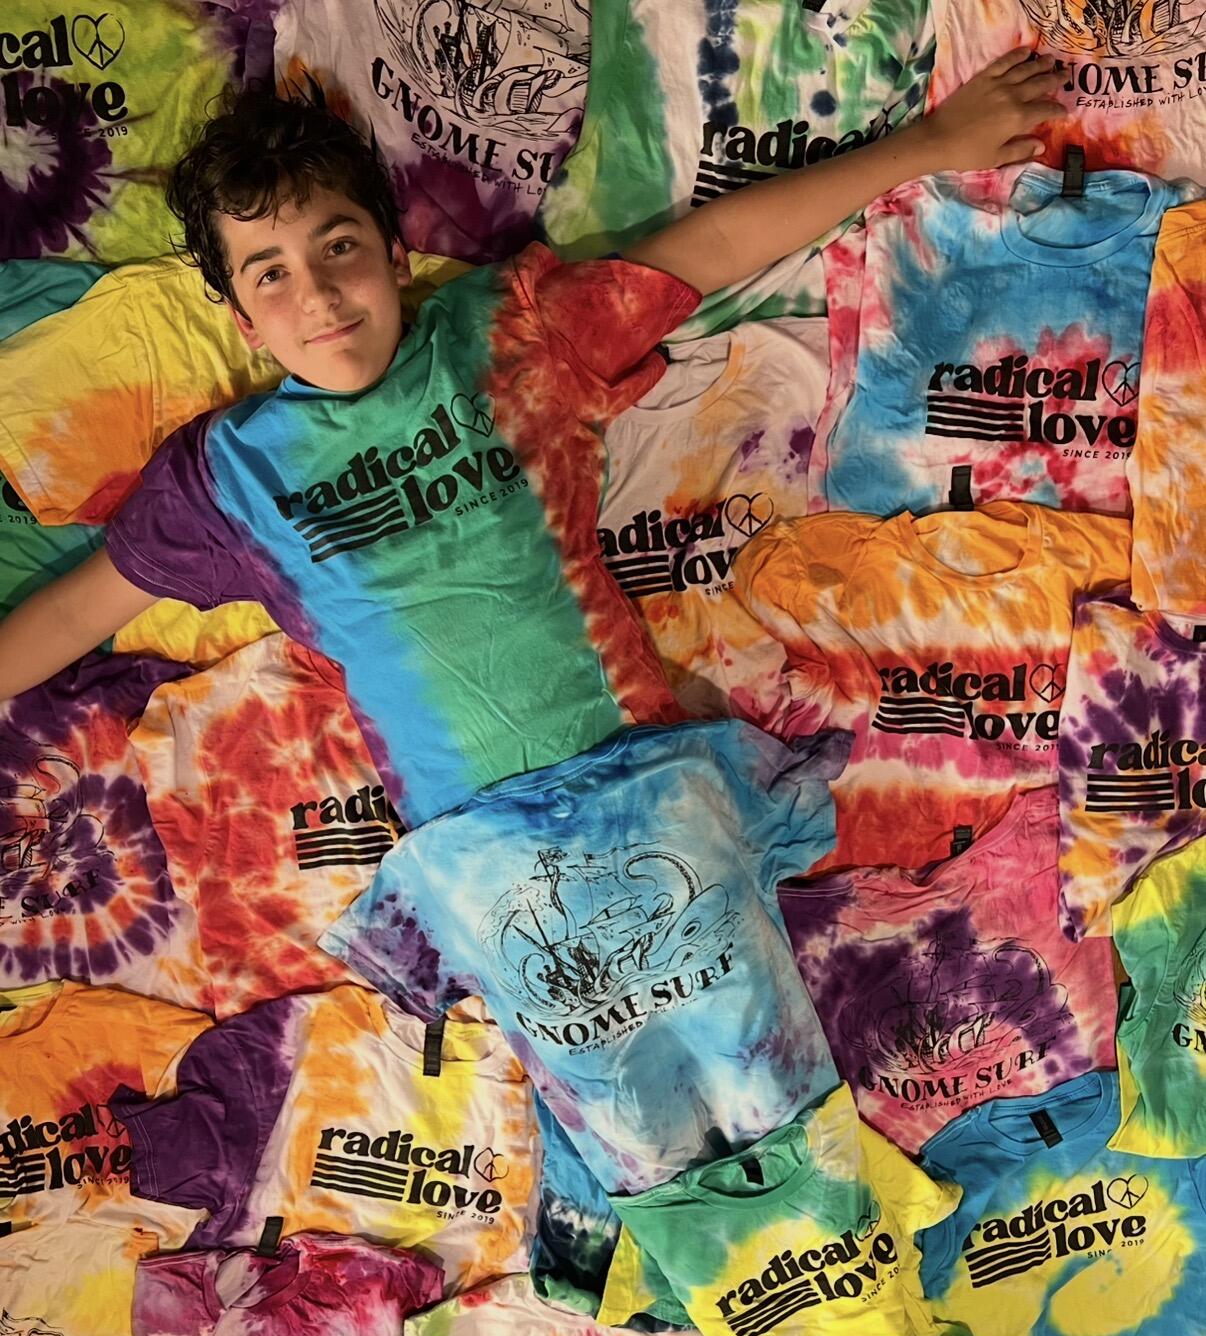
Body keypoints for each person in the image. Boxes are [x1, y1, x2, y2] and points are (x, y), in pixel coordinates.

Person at [0, 51, 1061, 824]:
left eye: (338, 246)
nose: (316, 293)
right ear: (241, 320)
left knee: (759, 1063)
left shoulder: (509, 334)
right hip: (484, 862)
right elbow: (80, 609)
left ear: (396, 256)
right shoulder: (230, 479)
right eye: (270, 274)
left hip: (653, 786)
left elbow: (711, 246)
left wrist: (930, 145)